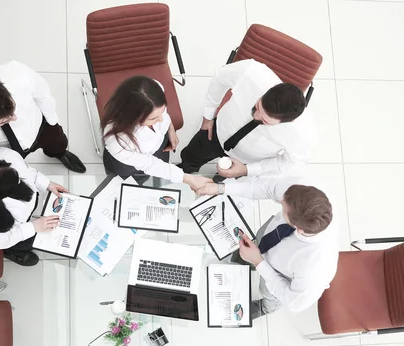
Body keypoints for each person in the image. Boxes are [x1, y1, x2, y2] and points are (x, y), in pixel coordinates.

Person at [195, 177, 337, 319]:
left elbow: (293, 301)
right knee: (249, 252)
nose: (280, 202)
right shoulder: (309, 197)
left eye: (283, 208)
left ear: (298, 228)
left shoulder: (314, 267)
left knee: (270, 298)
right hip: (265, 241)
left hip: (279, 276)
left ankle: (264, 308)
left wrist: (258, 262)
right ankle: (244, 260)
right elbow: (270, 187)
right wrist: (220, 189)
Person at [178, 59, 318, 180]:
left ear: (288, 122)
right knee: (190, 156)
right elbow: (219, 78)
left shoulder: (303, 134)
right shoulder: (251, 72)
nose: (255, 116)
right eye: (257, 106)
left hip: (247, 161)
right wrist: (208, 117)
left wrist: (247, 170)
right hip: (217, 131)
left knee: (224, 180)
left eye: (264, 121)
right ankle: (185, 169)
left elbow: (290, 163)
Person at [0, 148, 66, 267]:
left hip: (31, 213)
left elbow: (28, 171)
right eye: (15, 182)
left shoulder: (4, 155)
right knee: (30, 242)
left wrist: (47, 184)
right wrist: (32, 227)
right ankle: (11, 252)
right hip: (14, 233)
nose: (20, 180)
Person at [102, 75, 211, 190]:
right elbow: (150, 164)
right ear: (132, 117)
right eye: (153, 119)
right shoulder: (117, 140)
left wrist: (171, 129)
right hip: (127, 166)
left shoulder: (154, 90)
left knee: (158, 176)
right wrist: (189, 179)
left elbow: (164, 115)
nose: (161, 120)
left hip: (158, 149)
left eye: (161, 113)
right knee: (133, 187)